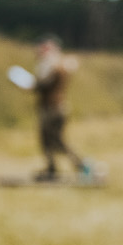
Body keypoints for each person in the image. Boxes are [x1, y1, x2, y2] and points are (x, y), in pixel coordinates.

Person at [32, 37, 87, 180]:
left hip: (54, 108)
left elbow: (44, 85)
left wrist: (34, 85)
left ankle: (81, 164)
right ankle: (52, 167)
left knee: (56, 140)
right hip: (52, 107)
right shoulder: (56, 66)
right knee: (46, 139)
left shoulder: (56, 67)